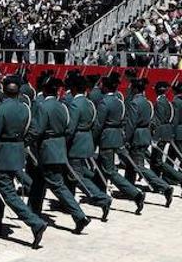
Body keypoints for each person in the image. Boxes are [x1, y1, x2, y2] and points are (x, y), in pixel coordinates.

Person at [0, 75, 47, 248]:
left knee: (8, 193)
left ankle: (35, 222)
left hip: (5, 151)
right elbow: (34, 129)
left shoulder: (0, 109)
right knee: (0, 189)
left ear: (4, 90)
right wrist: (23, 142)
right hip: (18, 150)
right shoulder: (25, 108)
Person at [27, 76, 91, 234]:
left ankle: (79, 215)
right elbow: (69, 129)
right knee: (38, 182)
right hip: (59, 147)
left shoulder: (43, 107)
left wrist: (25, 140)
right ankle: (32, 211)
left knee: (57, 185)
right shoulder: (63, 106)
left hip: (47, 149)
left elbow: (38, 129)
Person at [94, 76, 145, 214]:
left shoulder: (104, 103)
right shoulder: (119, 102)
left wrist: (93, 139)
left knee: (110, 171)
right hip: (116, 136)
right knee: (101, 166)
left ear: (105, 87)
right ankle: (98, 192)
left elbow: (99, 124)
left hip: (107, 137)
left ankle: (135, 194)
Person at [66, 75, 113, 219]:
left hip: (76, 142)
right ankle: (69, 201)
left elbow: (71, 128)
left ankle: (101, 198)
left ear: (74, 89)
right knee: (77, 173)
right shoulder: (90, 103)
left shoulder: (75, 104)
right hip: (86, 141)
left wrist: (64, 142)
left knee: (76, 175)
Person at [125, 78, 174, 206]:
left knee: (139, 166)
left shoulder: (135, 103)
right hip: (144, 135)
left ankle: (165, 187)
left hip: (137, 136)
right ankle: (129, 188)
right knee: (131, 164)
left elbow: (131, 124)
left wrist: (125, 138)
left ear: (135, 89)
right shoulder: (147, 102)